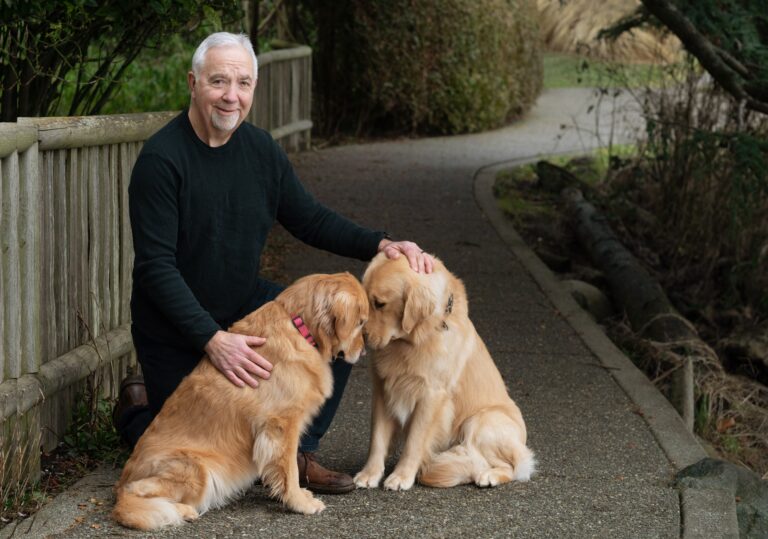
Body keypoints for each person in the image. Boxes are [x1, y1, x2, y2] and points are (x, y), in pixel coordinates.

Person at [113, 31, 433, 495]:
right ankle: (134, 411)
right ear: (193, 83)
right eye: (219, 81)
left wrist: (382, 243)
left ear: (254, 89)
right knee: (193, 440)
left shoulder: (261, 151)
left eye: (243, 83)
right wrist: (212, 339)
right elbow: (155, 268)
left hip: (244, 306)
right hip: (175, 328)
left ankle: (300, 454)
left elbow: (310, 219)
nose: (231, 95)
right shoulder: (161, 161)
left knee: (343, 327)